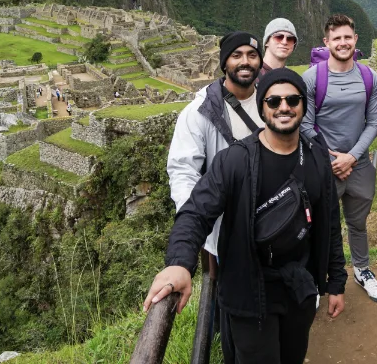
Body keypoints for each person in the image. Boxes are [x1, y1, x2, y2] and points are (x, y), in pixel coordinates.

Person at [145, 68, 347, 364]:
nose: (284, 107)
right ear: (262, 107)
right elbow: (197, 212)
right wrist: (179, 263)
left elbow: (329, 221)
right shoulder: (235, 160)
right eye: (273, 101)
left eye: (293, 99)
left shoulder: (316, 154)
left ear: (303, 104)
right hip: (250, 290)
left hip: (298, 288)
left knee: (293, 356)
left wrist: (336, 282)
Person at [301, 14, 377, 302]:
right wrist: (331, 160)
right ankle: (316, 279)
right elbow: (305, 124)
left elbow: (374, 122)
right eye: (336, 38)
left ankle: (362, 269)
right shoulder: (313, 78)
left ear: (355, 39)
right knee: (321, 224)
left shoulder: (368, 76)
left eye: (347, 37)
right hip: (324, 167)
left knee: (358, 223)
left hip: (358, 165)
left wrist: (351, 157)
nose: (343, 43)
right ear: (326, 42)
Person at [167, 31, 264, 258]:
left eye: (252, 55)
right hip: (224, 230)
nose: (245, 62)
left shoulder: (271, 102)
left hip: (270, 225)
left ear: (260, 61)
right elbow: (183, 171)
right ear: (224, 62)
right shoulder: (200, 112)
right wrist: (195, 224)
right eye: (236, 55)